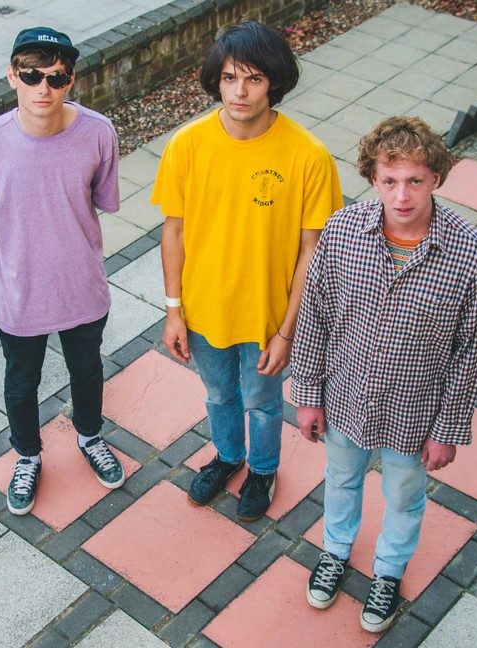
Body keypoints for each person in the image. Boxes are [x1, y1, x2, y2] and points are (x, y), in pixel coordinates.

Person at [291, 116, 477, 632]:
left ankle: (389, 571)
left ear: (436, 178)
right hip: (344, 398)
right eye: (390, 180)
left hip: (414, 412)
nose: (401, 196)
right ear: (372, 177)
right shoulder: (341, 232)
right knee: (341, 479)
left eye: (415, 180)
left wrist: (448, 430)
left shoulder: (471, 256)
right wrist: (308, 394)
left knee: (404, 496)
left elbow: (469, 353)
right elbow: (314, 317)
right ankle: (335, 550)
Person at [152, 20, 343, 522]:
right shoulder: (187, 145)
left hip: (267, 317)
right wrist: (173, 310)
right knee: (218, 394)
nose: (240, 91)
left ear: (273, 82)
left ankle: (262, 469)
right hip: (203, 311)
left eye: (254, 79)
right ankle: (228, 456)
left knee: (262, 402)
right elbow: (173, 231)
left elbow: (313, 253)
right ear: (216, 80)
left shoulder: (309, 156)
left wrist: (288, 331)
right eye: (230, 77)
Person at [0, 27, 125, 516]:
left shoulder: (98, 133)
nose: (43, 88)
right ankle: (28, 455)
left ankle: (90, 436)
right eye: (32, 76)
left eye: (55, 78)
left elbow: (100, 200)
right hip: (19, 291)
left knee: (87, 370)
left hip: (81, 285)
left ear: (70, 80)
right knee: (21, 381)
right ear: (12, 76)